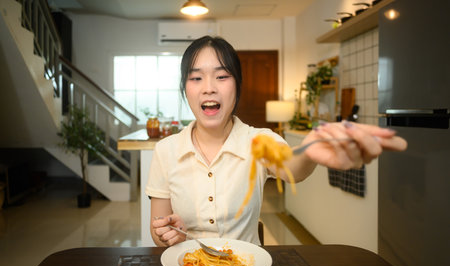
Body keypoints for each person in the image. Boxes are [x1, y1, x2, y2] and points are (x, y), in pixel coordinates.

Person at [146, 36, 407, 247]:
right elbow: (158, 232)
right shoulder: (165, 150)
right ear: (185, 88)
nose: (209, 87)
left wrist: (312, 146)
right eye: (196, 78)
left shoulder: (259, 141)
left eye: (222, 76)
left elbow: (293, 167)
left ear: (237, 85)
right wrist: (170, 235)